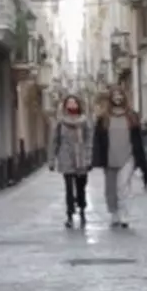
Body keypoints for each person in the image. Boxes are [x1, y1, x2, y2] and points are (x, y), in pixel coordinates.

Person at [91, 89, 147, 229]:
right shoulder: (103, 118)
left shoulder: (132, 117)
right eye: (115, 96)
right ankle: (114, 213)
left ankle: (124, 214)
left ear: (124, 98)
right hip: (109, 158)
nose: (118, 98)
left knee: (123, 186)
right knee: (110, 189)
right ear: (110, 99)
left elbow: (138, 138)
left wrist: (140, 159)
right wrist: (96, 158)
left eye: (120, 95)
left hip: (128, 156)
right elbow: (98, 139)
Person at [49, 94, 91, 229]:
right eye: (69, 103)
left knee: (81, 186)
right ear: (65, 105)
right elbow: (55, 141)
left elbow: (89, 140)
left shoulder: (84, 121)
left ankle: (82, 208)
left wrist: (89, 157)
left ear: (78, 105)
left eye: (74, 102)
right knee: (68, 188)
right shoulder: (60, 122)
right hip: (66, 156)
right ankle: (69, 214)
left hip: (81, 158)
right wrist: (52, 159)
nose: (72, 105)